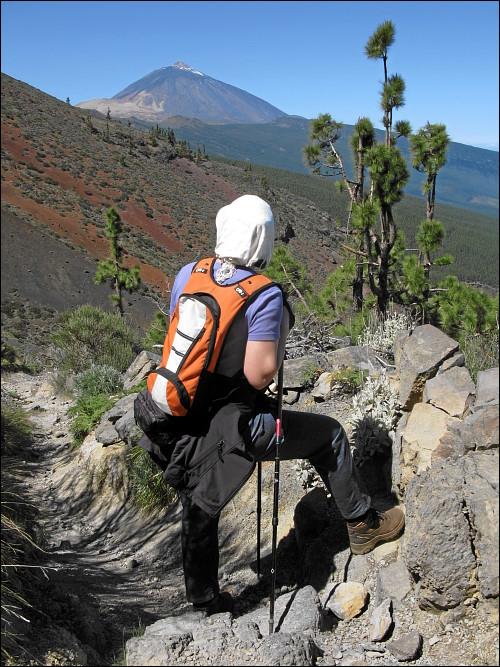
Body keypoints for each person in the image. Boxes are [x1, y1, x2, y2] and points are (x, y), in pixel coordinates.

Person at [140, 194, 405, 615]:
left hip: (182, 413)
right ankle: (363, 524)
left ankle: (204, 597)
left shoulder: (190, 273)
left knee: (200, 495)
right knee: (330, 436)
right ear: (262, 241)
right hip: (237, 425)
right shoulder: (263, 295)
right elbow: (259, 375)